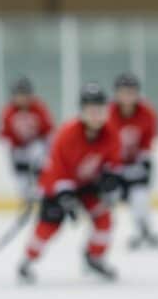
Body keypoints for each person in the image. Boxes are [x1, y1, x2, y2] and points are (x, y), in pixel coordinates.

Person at [18, 82, 123, 283]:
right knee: (49, 226)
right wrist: (64, 196)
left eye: (100, 110)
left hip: (87, 186)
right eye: (91, 110)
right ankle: (27, 261)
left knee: (104, 218)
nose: (96, 115)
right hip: (57, 185)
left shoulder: (111, 133)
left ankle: (94, 256)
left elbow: (113, 162)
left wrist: (111, 177)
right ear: (82, 111)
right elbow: (55, 168)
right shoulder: (67, 134)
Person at [106, 72, 158, 249]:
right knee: (104, 199)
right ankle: (100, 239)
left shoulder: (147, 113)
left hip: (134, 163)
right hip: (112, 165)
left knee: (140, 196)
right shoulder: (108, 114)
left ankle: (143, 228)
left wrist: (143, 161)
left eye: (131, 92)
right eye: (124, 92)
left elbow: (146, 142)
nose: (128, 96)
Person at [0, 77, 55, 202]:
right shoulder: (8, 112)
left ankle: (42, 184)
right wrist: (13, 154)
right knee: (22, 184)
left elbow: (48, 131)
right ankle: (26, 192)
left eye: (25, 94)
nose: (22, 98)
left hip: (36, 145)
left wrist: (48, 152)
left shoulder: (38, 108)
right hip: (18, 148)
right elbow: (5, 138)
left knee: (38, 152)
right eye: (19, 94)